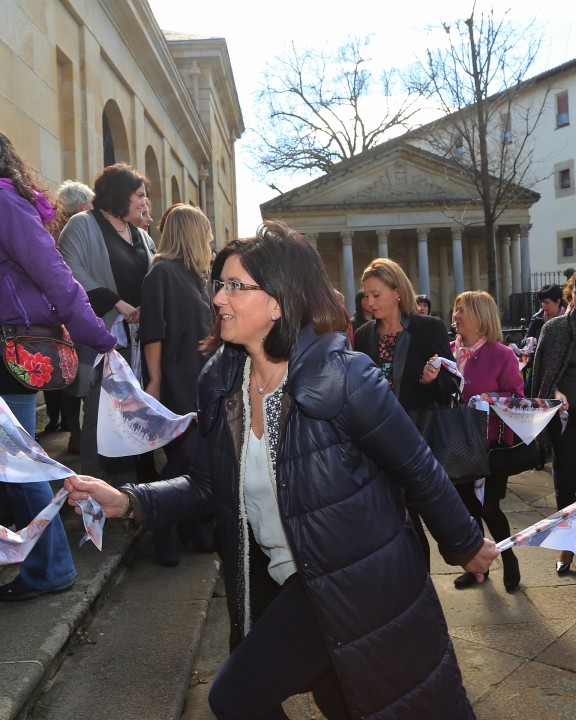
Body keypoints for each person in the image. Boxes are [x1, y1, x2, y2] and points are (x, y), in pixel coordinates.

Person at [65, 221, 497, 719]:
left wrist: (465, 544)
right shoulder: (222, 382)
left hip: (356, 581)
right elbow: (205, 484)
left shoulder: (344, 377)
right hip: (288, 581)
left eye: (235, 286)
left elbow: (418, 468)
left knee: (235, 697)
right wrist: (129, 500)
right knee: (344, 703)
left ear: (278, 302)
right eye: (219, 285)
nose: (218, 299)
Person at [0, 131, 116, 601]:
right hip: (11, 347)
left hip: (12, 351)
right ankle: (44, 562)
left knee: (18, 466)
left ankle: (50, 567)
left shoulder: (5, 202)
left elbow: (57, 276)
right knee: (15, 464)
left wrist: (98, 336)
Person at [354, 258, 456, 568]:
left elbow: (452, 384)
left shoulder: (428, 328)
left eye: (376, 294)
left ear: (398, 292)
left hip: (418, 435)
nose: (370, 303)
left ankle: (434, 570)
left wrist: (432, 379)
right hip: (377, 440)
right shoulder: (364, 334)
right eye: (366, 295)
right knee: (397, 518)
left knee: (420, 513)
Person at [59, 163, 154, 486]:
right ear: (120, 194)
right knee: (100, 416)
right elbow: (69, 270)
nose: (144, 202)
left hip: (137, 340)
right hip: (101, 340)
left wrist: (146, 305)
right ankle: (92, 488)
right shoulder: (82, 224)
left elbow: (154, 276)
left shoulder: (141, 235)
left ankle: (127, 488)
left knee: (131, 415)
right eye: (139, 195)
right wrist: (116, 302)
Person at [139, 204, 215, 566]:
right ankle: (159, 523)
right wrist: (154, 380)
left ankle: (188, 522)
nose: (210, 240)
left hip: (201, 377)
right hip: (173, 378)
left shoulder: (199, 278)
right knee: (185, 455)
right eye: (206, 233)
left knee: (196, 460)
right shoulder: (162, 273)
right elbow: (152, 332)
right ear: (192, 234)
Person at [450, 291, 525, 592]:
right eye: (456, 310)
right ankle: (477, 565)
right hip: (456, 444)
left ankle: (508, 557)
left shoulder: (501, 354)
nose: (455, 316)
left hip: (490, 447)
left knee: (489, 507)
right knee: (467, 508)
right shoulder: (447, 351)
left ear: (481, 316)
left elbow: (517, 397)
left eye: (462, 310)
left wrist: (489, 398)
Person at [44, 180, 95, 451]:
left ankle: (73, 432)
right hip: (76, 312)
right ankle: (79, 435)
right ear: (82, 206)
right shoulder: (81, 230)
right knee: (81, 375)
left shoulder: (48, 228)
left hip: (54, 317)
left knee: (66, 377)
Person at [530, 307, 575, 574]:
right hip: (565, 416)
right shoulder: (555, 328)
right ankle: (567, 545)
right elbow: (544, 375)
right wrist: (554, 392)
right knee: (566, 481)